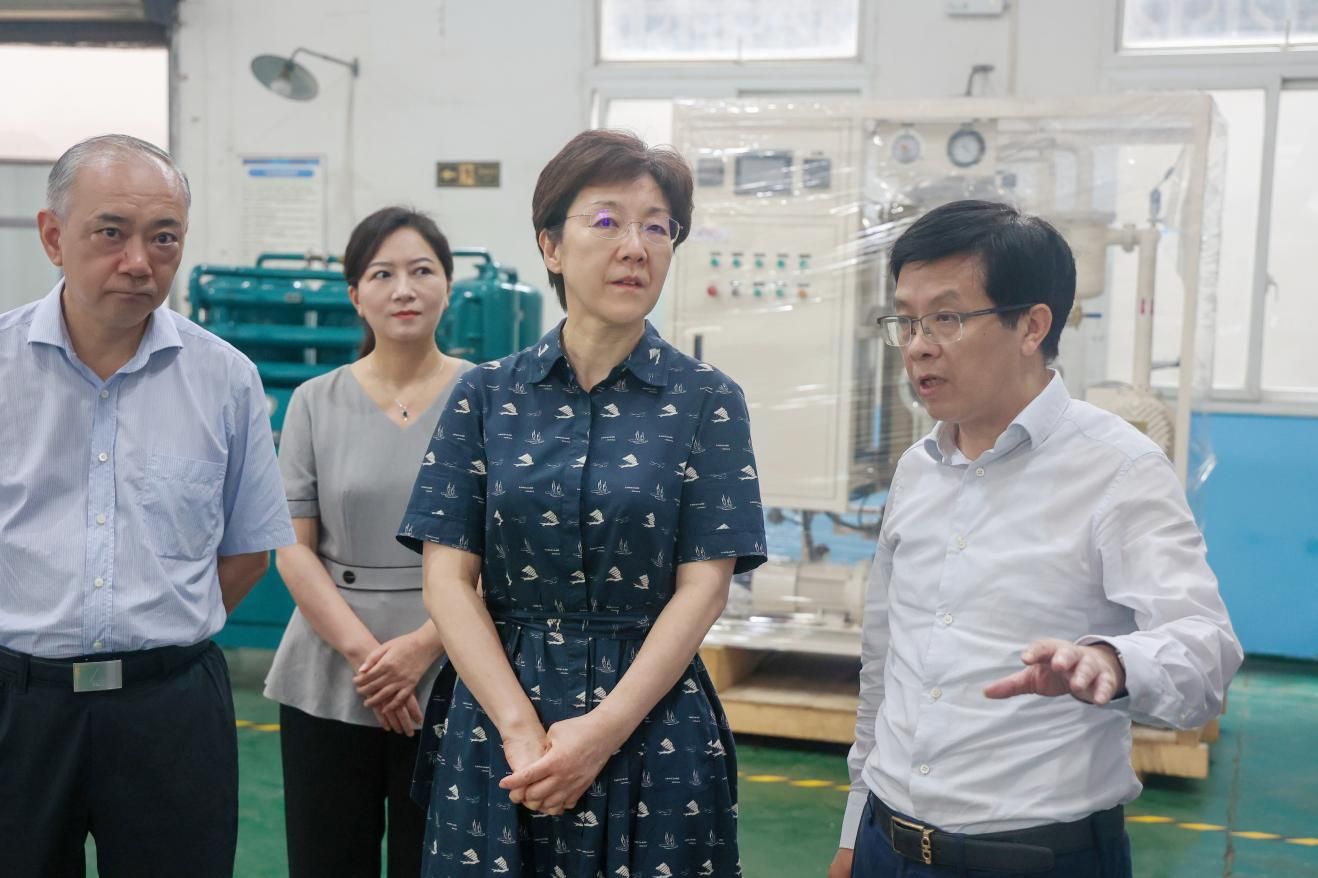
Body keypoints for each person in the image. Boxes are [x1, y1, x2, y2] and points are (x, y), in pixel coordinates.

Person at [828, 199, 1243, 878]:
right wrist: (854, 832)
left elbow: (1207, 654)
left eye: (946, 318)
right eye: (905, 320)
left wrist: (1112, 661)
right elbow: (884, 667)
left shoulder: (1118, 469)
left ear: (1032, 325)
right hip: (887, 845)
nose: (918, 345)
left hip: (1037, 858)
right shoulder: (916, 470)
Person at [397, 129, 767, 878]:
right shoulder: (484, 395)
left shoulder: (708, 400)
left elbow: (704, 587)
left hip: (651, 723)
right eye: (606, 221)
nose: (635, 247)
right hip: (500, 721)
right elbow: (447, 579)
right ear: (551, 246)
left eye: (657, 227)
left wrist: (601, 732)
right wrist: (518, 730)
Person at [0, 134, 294, 877]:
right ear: (53, 236)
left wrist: (156, 639)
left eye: (164, 238)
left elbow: (247, 555)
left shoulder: (226, 380)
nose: (139, 261)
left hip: (171, 712)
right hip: (18, 706)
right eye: (111, 233)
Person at [264, 206, 477, 878]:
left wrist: (421, 649)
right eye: (382, 274)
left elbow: (506, 548)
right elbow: (292, 547)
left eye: (422, 271)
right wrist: (370, 660)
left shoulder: (492, 397)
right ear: (356, 294)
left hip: (458, 665)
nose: (404, 289)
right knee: (327, 858)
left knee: (439, 862)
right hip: (332, 665)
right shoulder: (312, 402)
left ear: (448, 285)